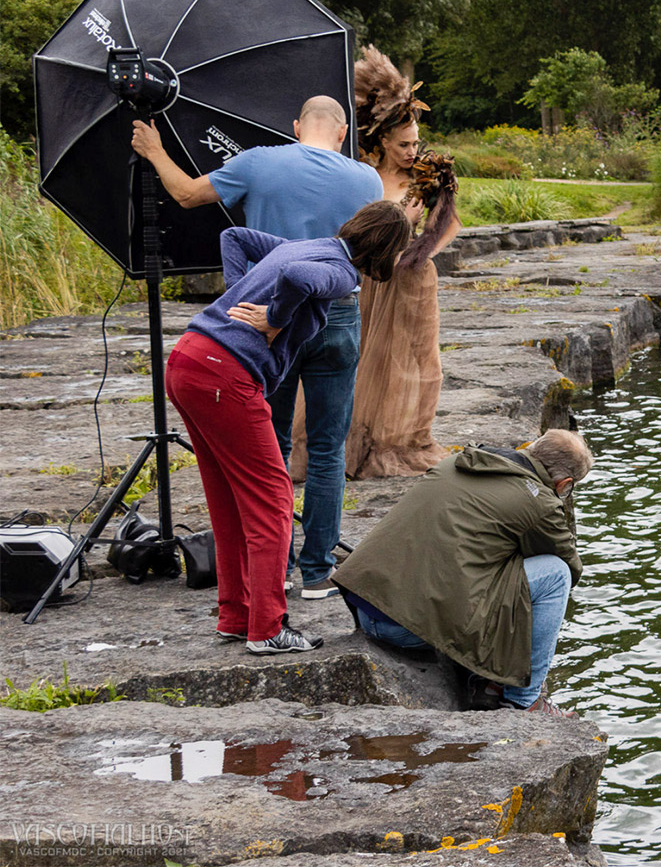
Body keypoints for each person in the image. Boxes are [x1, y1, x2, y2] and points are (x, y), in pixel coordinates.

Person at [132, 97, 383, 601]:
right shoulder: (367, 180)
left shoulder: (258, 161)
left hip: (270, 319)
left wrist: (156, 151)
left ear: (296, 126)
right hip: (337, 315)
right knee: (330, 446)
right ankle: (317, 574)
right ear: (342, 131)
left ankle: (277, 566)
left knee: (271, 444)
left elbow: (184, 195)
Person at [163, 203, 411, 654]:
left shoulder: (308, 245)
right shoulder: (342, 273)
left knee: (228, 499)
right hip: (225, 374)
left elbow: (233, 237)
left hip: (188, 359)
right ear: (386, 249)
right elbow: (298, 279)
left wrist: (242, 294)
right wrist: (272, 321)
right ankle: (267, 629)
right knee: (273, 502)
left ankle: (236, 616)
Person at [333, 429, 592, 716]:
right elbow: (569, 565)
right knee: (555, 575)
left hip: (367, 605)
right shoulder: (539, 502)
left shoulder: (458, 461)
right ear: (564, 483)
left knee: (497, 567)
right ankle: (524, 699)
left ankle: (485, 678)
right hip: (403, 628)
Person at [292, 46, 461, 480]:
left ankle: (398, 439)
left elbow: (450, 227)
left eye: (416, 143)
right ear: (383, 141)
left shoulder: (428, 176)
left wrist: (417, 246)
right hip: (371, 277)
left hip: (412, 279)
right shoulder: (362, 175)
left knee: (415, 363)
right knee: (363, 357)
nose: (412, 150)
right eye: (403, 144)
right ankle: (345, 440)